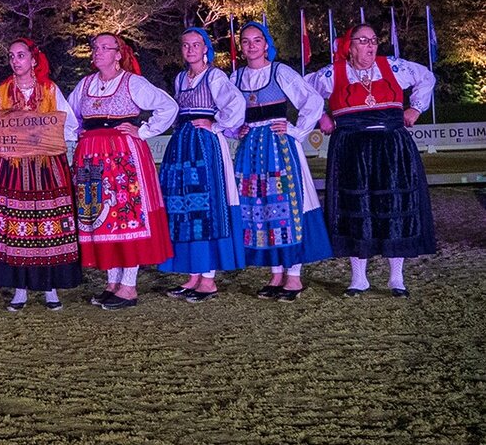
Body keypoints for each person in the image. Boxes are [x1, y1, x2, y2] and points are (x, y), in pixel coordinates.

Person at [306, 23, 436, 298]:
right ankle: (359, 278)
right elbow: (303, 89)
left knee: (394, 205)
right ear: (349, 46)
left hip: (391, 145)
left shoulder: (393, 67)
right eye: (363, 40)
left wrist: (415, 108)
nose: (370, 45)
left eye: (374, 40)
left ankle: (396, 278)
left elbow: (426, 77)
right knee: (356, 207)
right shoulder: (332, 73)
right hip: (351, 147)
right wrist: (321, 115)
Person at [68, 34, 177, 310]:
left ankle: (128, 285)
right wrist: (78, 133)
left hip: (122, 156)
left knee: (127, 215)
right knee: (99, 216)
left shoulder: (132, 82)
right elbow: (69, 117)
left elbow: (168, 106)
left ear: (118, 54)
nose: (98, 52)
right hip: (92, 157)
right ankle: (112, 282)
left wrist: (144, 130)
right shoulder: (85, 84)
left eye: (105, 48)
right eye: (95, 48)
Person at [230, 22, 332, 300]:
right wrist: (235, 130)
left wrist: (296, 130)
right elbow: (226, 110)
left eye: (257, 40)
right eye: (246, 41)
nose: (251, 45)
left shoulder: (280, 71)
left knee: (287, 204)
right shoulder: (236, 77)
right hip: (251, 149)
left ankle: (294, 276)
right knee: (261, 207)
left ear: (266, 45)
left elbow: (312, 101)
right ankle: (276, 274)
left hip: (279, 145)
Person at [0, 39, 82, 311]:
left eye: (21, 55)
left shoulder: (50, 90)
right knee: (18, 227)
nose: (15, 61)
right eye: (11, 56)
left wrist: (51, 141)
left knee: (48, 225)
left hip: (46, 167)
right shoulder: (2, 93)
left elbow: (69, 124)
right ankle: (20, 289)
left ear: (33, 60)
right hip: (14, 168)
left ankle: (50, 288)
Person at [157, 28, 247, 302]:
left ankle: (208, 279)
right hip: (182, 145)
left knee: (206, 205)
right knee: (184, 205)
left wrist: (216, 124)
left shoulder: (214, 76)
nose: (190, 49)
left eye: (195, 45)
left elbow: (236, 103)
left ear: (206, 48)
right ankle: (194, 274)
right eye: (185, 45)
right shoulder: (180, 78)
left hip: (205, 145)